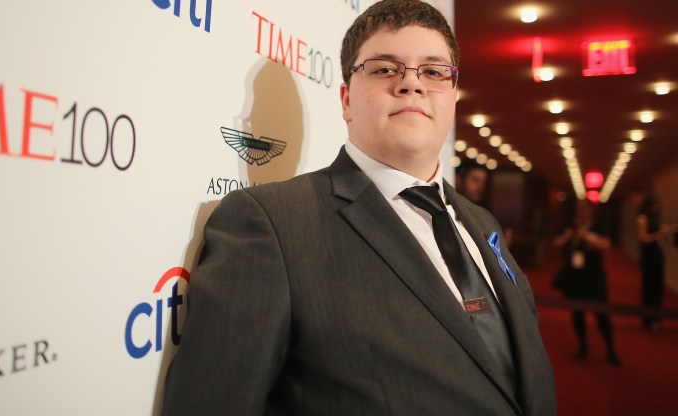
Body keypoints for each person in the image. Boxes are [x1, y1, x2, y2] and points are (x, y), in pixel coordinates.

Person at [161, 1, 556, 414]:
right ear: (346, 100)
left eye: (434, 71)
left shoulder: (482, 223)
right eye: (385, 68)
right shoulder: (271, 226)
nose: (412, 84)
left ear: (452, 97)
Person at [552, 199, 620, 365]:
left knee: (602, 315)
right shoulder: (569, 225)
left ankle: (611, 349)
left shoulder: (597, 226)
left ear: (591, 210)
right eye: (578, 208)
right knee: (577, 314)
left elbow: (607, 245)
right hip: (575, 278)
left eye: (584, 208)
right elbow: (556, 244)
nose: (580, 211)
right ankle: (582, 345)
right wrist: (566, 236)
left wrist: (587, 237)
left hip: (594, 278)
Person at [636, 195, 675, 331]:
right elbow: (643, 238)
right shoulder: (642, 219)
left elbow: (660, 238)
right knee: (649, 286)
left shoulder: (656, 219)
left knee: (658, 286)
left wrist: (665, 233)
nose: (657, 208)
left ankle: (656, 318)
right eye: (654, 206)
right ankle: (648, 318)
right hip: (648, 255)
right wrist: (659, 233)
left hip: (657, 254)